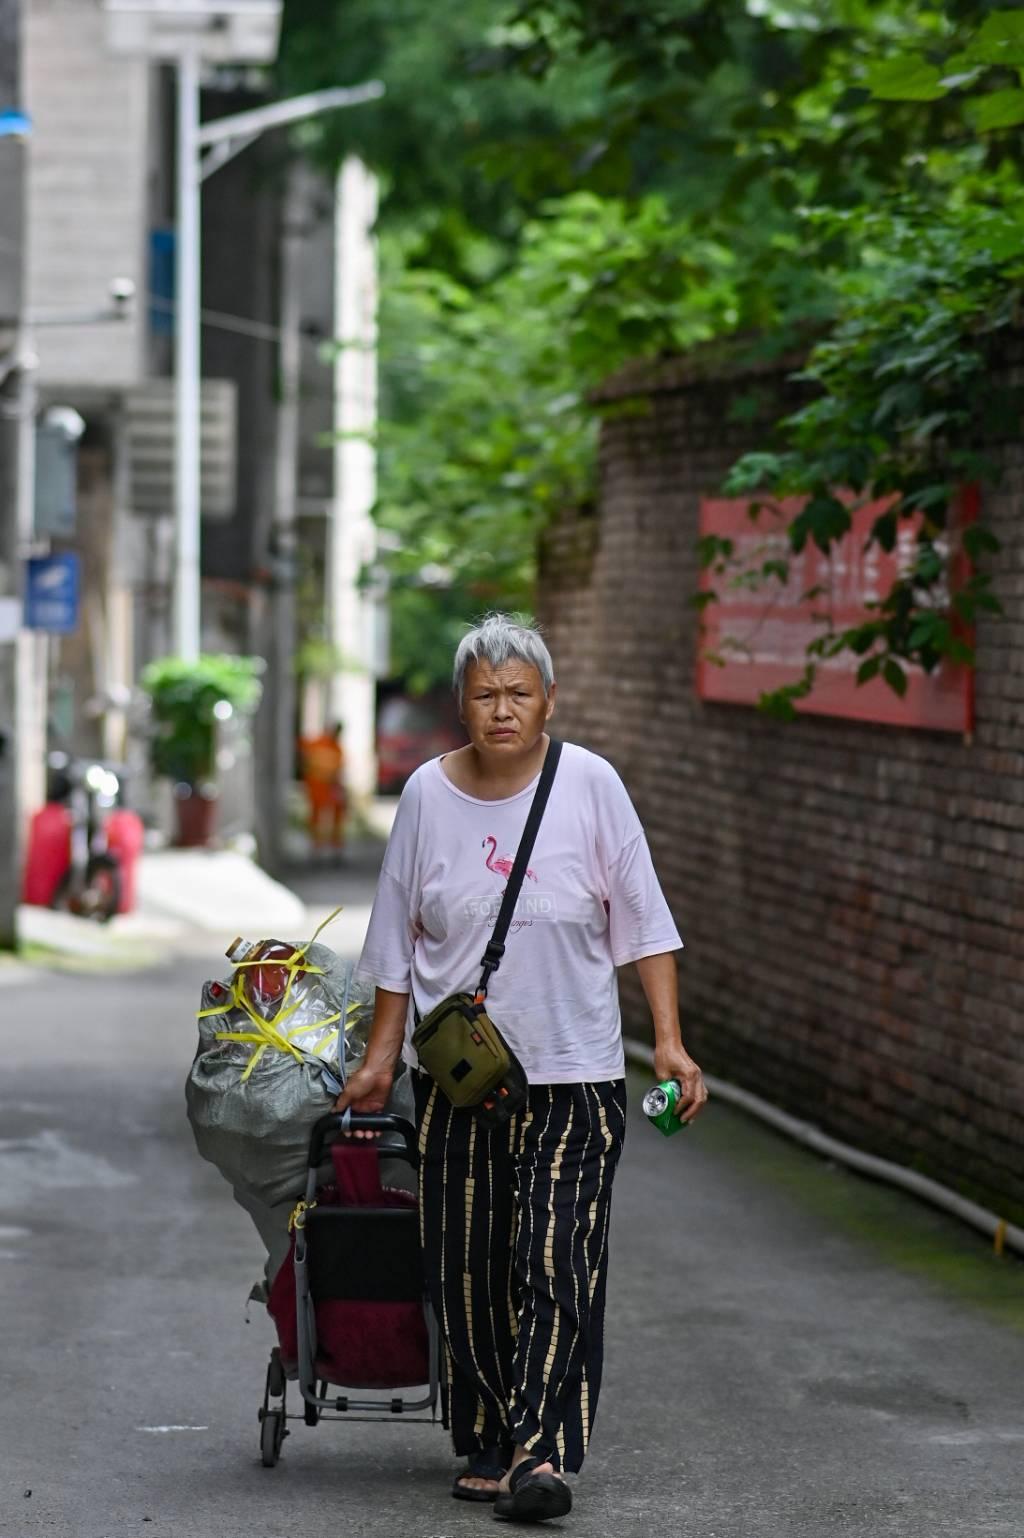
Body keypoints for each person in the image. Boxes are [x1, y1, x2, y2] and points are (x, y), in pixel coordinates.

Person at [338, 613, 707, 1523]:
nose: (502, 709)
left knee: (556, 1257)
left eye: (519, 693)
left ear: (549, 700)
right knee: (465, 1268)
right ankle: (493, 1434)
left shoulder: (591, 785)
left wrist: (667, 1040)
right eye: (484, 694)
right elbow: (395, 940)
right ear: (460, 705)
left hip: (576, 1074)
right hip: (464, 1086)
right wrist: (380, 1065)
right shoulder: (426, 796)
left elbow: (644, 921)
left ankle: (542, 1452)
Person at [298, 721, 347, 854]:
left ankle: (335, 846)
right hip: (316, 788)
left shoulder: (337, 748)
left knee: (335, 817)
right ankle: (316, 846)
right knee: (316, 817)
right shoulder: (317, 743)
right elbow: (303, 755)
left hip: (328, 789)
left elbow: (338, 771)